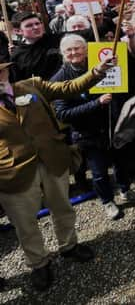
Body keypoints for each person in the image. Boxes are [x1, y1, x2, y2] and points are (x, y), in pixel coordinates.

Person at [0, 56, 114, 291]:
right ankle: (38, 263)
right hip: (13, 172)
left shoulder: (32, 86)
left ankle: (69, 246)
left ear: (6, 72)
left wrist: (97, 71)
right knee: (24, 223)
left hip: (52, 159)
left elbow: (68, 87)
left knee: (62, 207)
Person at [51, 34, 135, 220]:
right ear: (62, 53)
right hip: (87, 134)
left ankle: (125, 189)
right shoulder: (59, 79)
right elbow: (63, 114)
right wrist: (97, 103)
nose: (74, 52)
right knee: (99, 172)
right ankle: (107, 201)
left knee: (121, 163)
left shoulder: (100, 63)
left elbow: (123, 82)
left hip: (112, 126)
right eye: (69, 50)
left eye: (78, 48)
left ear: (86, 49)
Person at [10, 11, 62, 81]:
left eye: (37, 23)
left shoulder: (57, 39)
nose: (36, 27)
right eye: (29, 25)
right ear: (18, 31)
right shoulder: (17, 55)